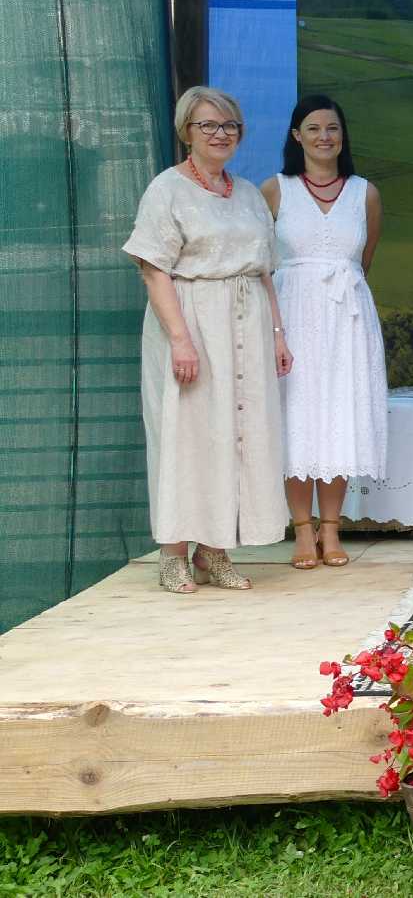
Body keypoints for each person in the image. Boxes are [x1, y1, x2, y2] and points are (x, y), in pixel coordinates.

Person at [124, 86, 293, 593]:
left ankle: (215, 549)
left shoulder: (245, 192)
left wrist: (278, 334)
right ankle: (173, 552)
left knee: (238, 434)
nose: (220, 135)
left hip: (246, 324)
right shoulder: (166, 190)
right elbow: (154, 270)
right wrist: (180, 340)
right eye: (208, 126)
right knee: (187, 435)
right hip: (193, 322)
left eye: (229, 126)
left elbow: (265, 270)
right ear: (186, 131)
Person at [262, 95, 388, 571]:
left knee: (340, 415)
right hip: (292, 315)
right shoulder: (274, 190)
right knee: (297, 416)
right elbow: (259, 262)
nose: (324, 137)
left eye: (332, 128)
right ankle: (301, 529)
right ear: (297, 136)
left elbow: (365, 258)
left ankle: (332, 528)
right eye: (313, 128)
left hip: (347, 317)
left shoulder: (364, 192)